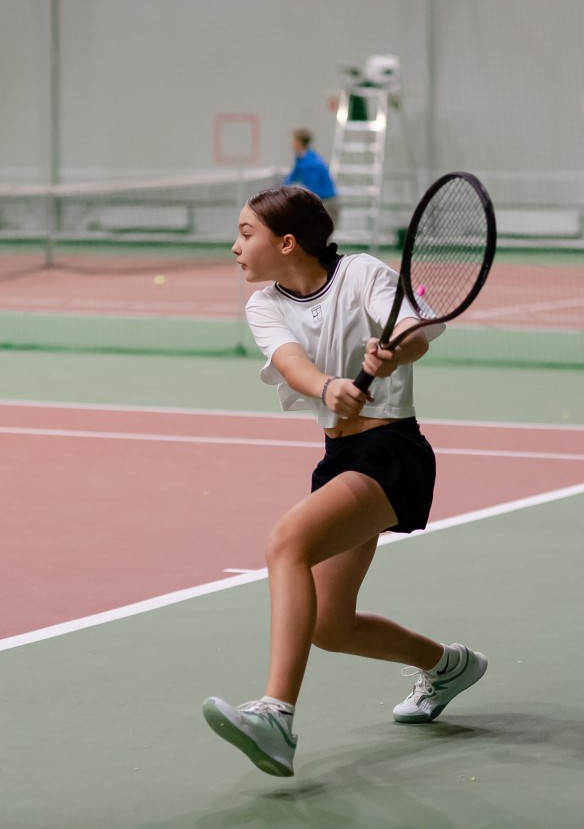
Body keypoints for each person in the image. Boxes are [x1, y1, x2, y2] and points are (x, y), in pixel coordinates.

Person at [202, 186, 487, 778]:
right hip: (340, 457)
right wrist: (329, 387)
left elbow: (413, 334)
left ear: (287, 242)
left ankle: (276, 716)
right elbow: (291, 364)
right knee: (329, 625)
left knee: (286, 542)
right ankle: (448, 666)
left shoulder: (362, 275)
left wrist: (394, 352)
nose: (235, 247)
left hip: (392, 453)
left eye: (246, 234)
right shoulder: (264, 304)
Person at [283, 128, 340, 228]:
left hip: (326, 204)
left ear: (298, 143)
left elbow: (313, 190)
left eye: (293, 141)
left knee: (320, 235)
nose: (290, 144)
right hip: (321, 203)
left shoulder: (311, 163)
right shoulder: (302, 158)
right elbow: (292, 177)